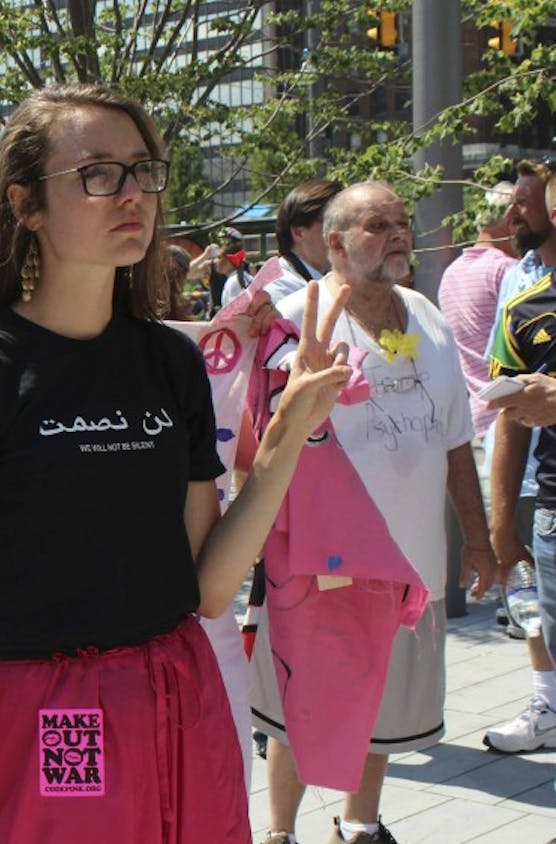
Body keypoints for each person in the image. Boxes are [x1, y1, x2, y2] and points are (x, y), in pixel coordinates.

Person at [0, 82, 351, 844]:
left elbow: (207, 588)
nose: (132, 192)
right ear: (26, 205)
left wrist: (283, 440)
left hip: (183, 698)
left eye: (142, 170)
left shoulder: (169, 363)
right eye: (98, 174)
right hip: (54, 714)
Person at [251, 182, 491, 844]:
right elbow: (258, 439)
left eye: (401, 223)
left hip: (410, 565)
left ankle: (359, 826)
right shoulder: (295, 314)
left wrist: (479, 540)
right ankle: (279, 834)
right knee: (297, 711)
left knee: (388, 706)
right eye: (376, 225)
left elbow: (454, 441)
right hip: (316, 565)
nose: (397, 235)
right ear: (334, 243)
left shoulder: (427, 315)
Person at [484, 161, 556, 755]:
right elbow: (508, 411)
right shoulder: (523, 304)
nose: (516, 216)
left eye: (527, 203)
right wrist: (501, 527)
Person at [438, 181, 516, 439]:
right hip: (513, 419)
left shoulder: (450, 274)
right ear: (510, 219)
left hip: (476, 418)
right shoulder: (509, 272)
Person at [251, 179, 344, 302]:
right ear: (299, 232)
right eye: (333, 222)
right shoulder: (280, 292)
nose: (344, 232)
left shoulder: (314, 279)